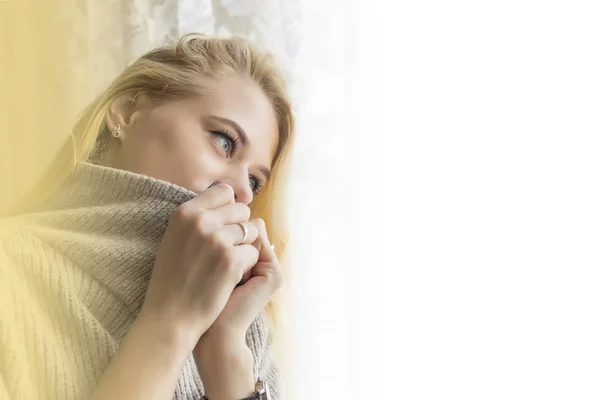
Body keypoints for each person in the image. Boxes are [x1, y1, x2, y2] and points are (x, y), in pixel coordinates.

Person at [0, 33, 294, 400]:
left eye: (254, 181)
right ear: (126, 112)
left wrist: (227, 358)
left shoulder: (243, 329)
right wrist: (170, 322)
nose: (242, 193)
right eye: (223, 140)